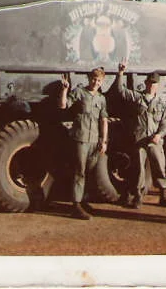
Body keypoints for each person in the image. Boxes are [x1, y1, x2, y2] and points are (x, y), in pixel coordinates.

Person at [115, 62, 166, 209]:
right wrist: (120, 73)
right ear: (145, 83)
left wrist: (159, 135)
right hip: (139, 140)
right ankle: (138, 197)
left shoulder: (161, 103)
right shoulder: (137, 98)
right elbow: (120, 91)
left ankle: (163, 195)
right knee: (138, 169)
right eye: (149, 83)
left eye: (154, 84)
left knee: (160, 166)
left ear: (157, 86)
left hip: (154, 141)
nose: (151, 86)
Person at [59, 67, 109, 220]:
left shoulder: (101, 98)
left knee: (89, 171)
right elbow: (63, 105)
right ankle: (76, 205)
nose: (96, 83)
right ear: (89, 79)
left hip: (94, 140)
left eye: (99, 80)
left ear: (102, 82)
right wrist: (64, 90)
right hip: (80, 138)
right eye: (94, 79)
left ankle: (83, 200)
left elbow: (104, 120)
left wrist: (104, 140)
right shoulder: (80, 92)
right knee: (79, 171)